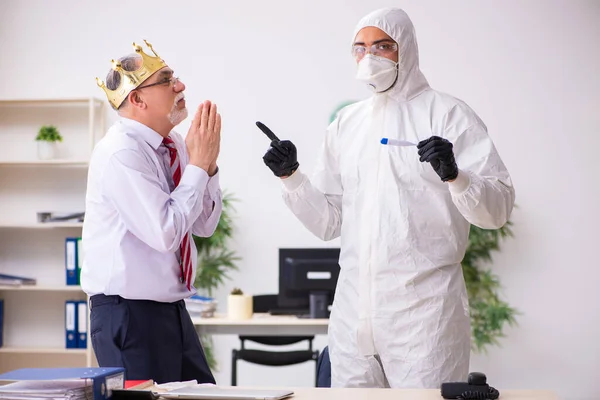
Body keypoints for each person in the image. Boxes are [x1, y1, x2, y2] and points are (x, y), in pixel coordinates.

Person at [260, 8, 515, 389]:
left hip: (424, 318)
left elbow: (497, 210)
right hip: (352, 315)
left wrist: (455, 175)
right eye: (360, 48)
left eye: (382, 46)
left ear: (406, 49)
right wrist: (292, 177)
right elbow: (331, 223)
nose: (370, 57)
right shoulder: (346, 124)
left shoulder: (449, 115)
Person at [81, 40, 222, 384]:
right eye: (167, 79)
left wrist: (209, 167)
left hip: (171, 312)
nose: (180, 85)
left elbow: (203, 225)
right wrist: (199, 166)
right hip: (129, 315)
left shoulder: (173, 145)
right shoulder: (121, 153)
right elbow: (166, 233)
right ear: (138, 99)